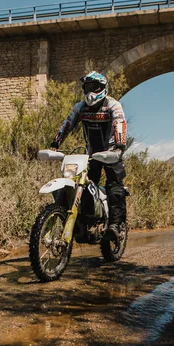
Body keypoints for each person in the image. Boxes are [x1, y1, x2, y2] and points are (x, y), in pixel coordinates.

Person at [50, 71, 127, 239]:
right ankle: (73, 223)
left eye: (95, 87)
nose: (90, 91)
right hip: (90, 154)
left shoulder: (113, 105)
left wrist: (120, 146)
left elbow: (119, 122)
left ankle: (115, 225)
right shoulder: (80, 107)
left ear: (103, 88)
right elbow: (67, 124)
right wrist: (55, 144)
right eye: (87, 87)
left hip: (111, 153)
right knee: (80, 184)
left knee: (115, 187)